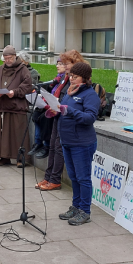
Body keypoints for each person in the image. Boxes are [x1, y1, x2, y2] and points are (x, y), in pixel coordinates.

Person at [47, 61, 100, 226]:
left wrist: (69, 110)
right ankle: (76, 207)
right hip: (67, 141)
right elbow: (65, 111)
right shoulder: (70, 92)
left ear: (85, 78)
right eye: (70, 75)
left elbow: (90, 118)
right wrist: (55, 111)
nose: (71, 79)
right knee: (74, 177)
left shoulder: (90, 95)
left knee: (83, 178)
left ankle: (85, 211)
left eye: (75, 77)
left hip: (82, 143)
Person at [36, 50, 85, 191]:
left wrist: (58, 104)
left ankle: (55, 180)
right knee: (52, 146)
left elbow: (76, 101)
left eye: (66, 63)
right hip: (58, 115)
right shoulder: (65, 77)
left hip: (68, 119)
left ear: (75, 63)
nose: (64, 66)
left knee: (58, 148)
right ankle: (48, 177)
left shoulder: (77, 80)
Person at [0, 46, 34, 167]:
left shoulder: (23, 69)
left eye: (10, 58)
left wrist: (14, 92)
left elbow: (27, 85)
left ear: (15, 56)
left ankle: (21, 158)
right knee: (3, 134)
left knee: (19, 133)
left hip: (17, 106)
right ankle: (4, 157)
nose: (7, 60)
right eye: (5, 58)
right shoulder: (0, 69)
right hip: (2, 105)